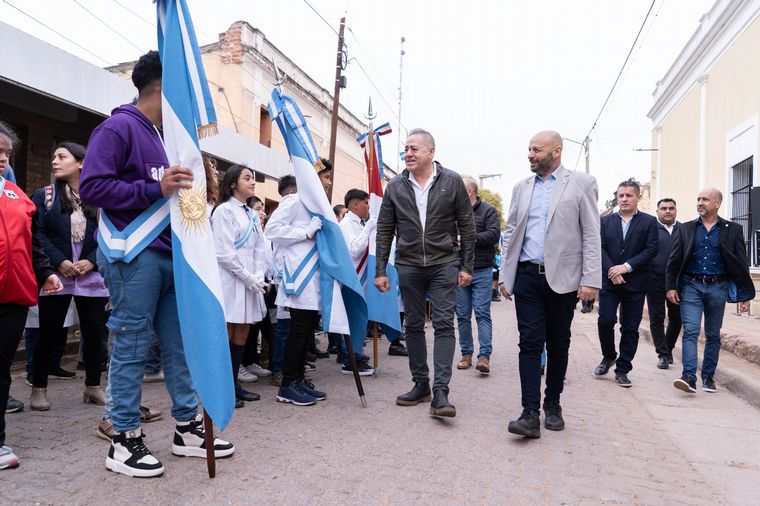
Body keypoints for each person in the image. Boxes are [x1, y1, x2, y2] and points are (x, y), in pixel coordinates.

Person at [79, 50, 233, 478]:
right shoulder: (118, 127)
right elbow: (92, 187)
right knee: (130, 344)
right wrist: (154, 188)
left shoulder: (166, 136)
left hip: (171, 255)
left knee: (177, 347)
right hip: (134, 254)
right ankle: (123, 438)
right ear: (164, 88)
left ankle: (186, 427)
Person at [499, 130, 600, 438]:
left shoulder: (582, 183)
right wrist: (506, 273)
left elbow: (591, 233)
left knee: (558, 343)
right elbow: (511, 230)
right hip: (528, 275)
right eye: (529, 149)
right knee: (529, 343)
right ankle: (529, 413)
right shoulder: (521, 187)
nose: (530, 154)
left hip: (564, 278)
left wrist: (591, 279)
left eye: (536, 150)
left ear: (556, 152)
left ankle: (552, 404)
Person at [375, 128, 476, 418]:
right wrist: (381, 269)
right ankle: (421, 384)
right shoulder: (395, 186)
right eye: (405, 149)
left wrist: (466, 266)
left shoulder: (452, 182)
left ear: (431, 152)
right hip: (408, 264)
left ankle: (441, 391)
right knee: (414, 324)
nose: (408, 153)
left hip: (443, 262)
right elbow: (384, 230)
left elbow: (467, 227)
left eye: (414, 149)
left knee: (444, 323)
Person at [0, 120, 63, 470]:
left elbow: (31, 242)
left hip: (13, 296)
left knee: (2, 369)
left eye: (7, 153)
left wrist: (46, 272)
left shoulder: (18, 196)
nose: (3, 158)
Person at [30, 142, 109, 410]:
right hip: (56, 275)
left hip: (90, 274)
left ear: (81, 163)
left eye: (61, 156)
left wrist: (93, 260)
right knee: (48, 333)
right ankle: (38, 388)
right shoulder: (45, 195)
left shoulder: (99, 198)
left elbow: (110, 235)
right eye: (53, 156)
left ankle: (93, 387)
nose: (54, 161)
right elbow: (36, 234)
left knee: (94, 333)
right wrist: (58, 261)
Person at [666, 188, 755, 394]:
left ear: (717, 204)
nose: (700, 202)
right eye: (698, 199)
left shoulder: (732, 230)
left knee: (713, 334)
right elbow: (674, 260)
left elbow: (741, 262)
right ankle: (689, 375)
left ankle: (708, 376)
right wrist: (671, 286)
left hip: (718, 287)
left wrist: (744, 294)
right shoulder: (686, 228)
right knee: (690, 331)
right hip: (691, 286)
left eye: (705, 199)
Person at [266, 174, 328, 406]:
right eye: (326, 177)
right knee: (298, 330)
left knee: (306, 331)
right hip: (299, 276)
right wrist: (304, 232)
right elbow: (271, 230)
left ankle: (298, 379)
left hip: (312, 276)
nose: (329, 183)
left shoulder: (314, 205)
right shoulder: (294, 200)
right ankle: (287, 384)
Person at [211, 164, 267, 407]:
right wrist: (249, 277)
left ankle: (234, 383)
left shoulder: (252, 214)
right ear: (233, 183)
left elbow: (259, 248)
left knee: (242, 329)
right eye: (247, 178)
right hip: (230, 277)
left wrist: (258, 273)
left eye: (253, 178)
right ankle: (221, 388)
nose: (252, 182)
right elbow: (223, 253)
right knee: (227, 328)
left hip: (249, 279)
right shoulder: (223, 211)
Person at [594, 179, 658, 387]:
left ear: (638, 197)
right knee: (605, 321)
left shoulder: (649, 222)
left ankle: (623, 369)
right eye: (621, 195)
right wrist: (613, 270)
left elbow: (651, 250)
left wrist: (627, 267)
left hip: (635, 283)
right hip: (609, 282)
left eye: (629, 195)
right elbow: (600, 248)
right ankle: (609, 356)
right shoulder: (605, 222)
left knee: (630, 328)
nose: (624, 199)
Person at [455, 177, 500, 375]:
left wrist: (466, 239)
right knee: (463, 315)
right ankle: (466, 354)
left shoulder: (488, 211)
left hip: (481, 270)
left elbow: (493, 235)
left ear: (470, 192)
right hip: (458, 269)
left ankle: (484, 357)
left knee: (482, 313)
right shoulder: (453, 212)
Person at [647, 198, 681, 369]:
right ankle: (662, 354)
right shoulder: (650, 229)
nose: (667, 211)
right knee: (657, 317)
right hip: (654, 281)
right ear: (657, 211)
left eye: (671, 208)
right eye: (663, 208)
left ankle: (668, 348)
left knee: (677, 317)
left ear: (676, 210)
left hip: (677, 282)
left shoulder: (684, 229)